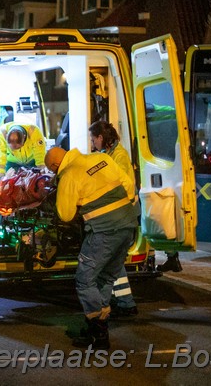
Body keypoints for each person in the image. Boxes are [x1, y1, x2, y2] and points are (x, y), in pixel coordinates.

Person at [45, 145, 137, 349]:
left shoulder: (69, 174)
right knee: (105, 277)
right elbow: (128, 184)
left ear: (54, 165)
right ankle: (98, 329)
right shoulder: (100, 158)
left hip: (104, 232)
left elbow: (66, 215)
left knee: (85, 280)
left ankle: (99, 330)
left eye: (53, 171)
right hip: (128, 226)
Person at [89, 120, 138, 318]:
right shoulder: (110, 154)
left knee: (110, 263)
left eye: (93, 139)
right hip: (121, 216)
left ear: (101, 138)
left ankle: (118, 304)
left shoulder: (119, 156)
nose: (92, 143)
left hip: (121, 215)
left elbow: (118, 184)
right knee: (114, 264)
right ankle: (126, 302)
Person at [0, 122, 46, 187]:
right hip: (11, 163)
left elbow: (40, 155)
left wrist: (42, 174)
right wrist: (1, 177)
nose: (16, 151)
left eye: (18, 147)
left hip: (32, 162)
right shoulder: (1, 134)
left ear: (24, 137)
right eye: (12, 149)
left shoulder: (34, 132)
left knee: (35, 185)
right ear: (6, 138)